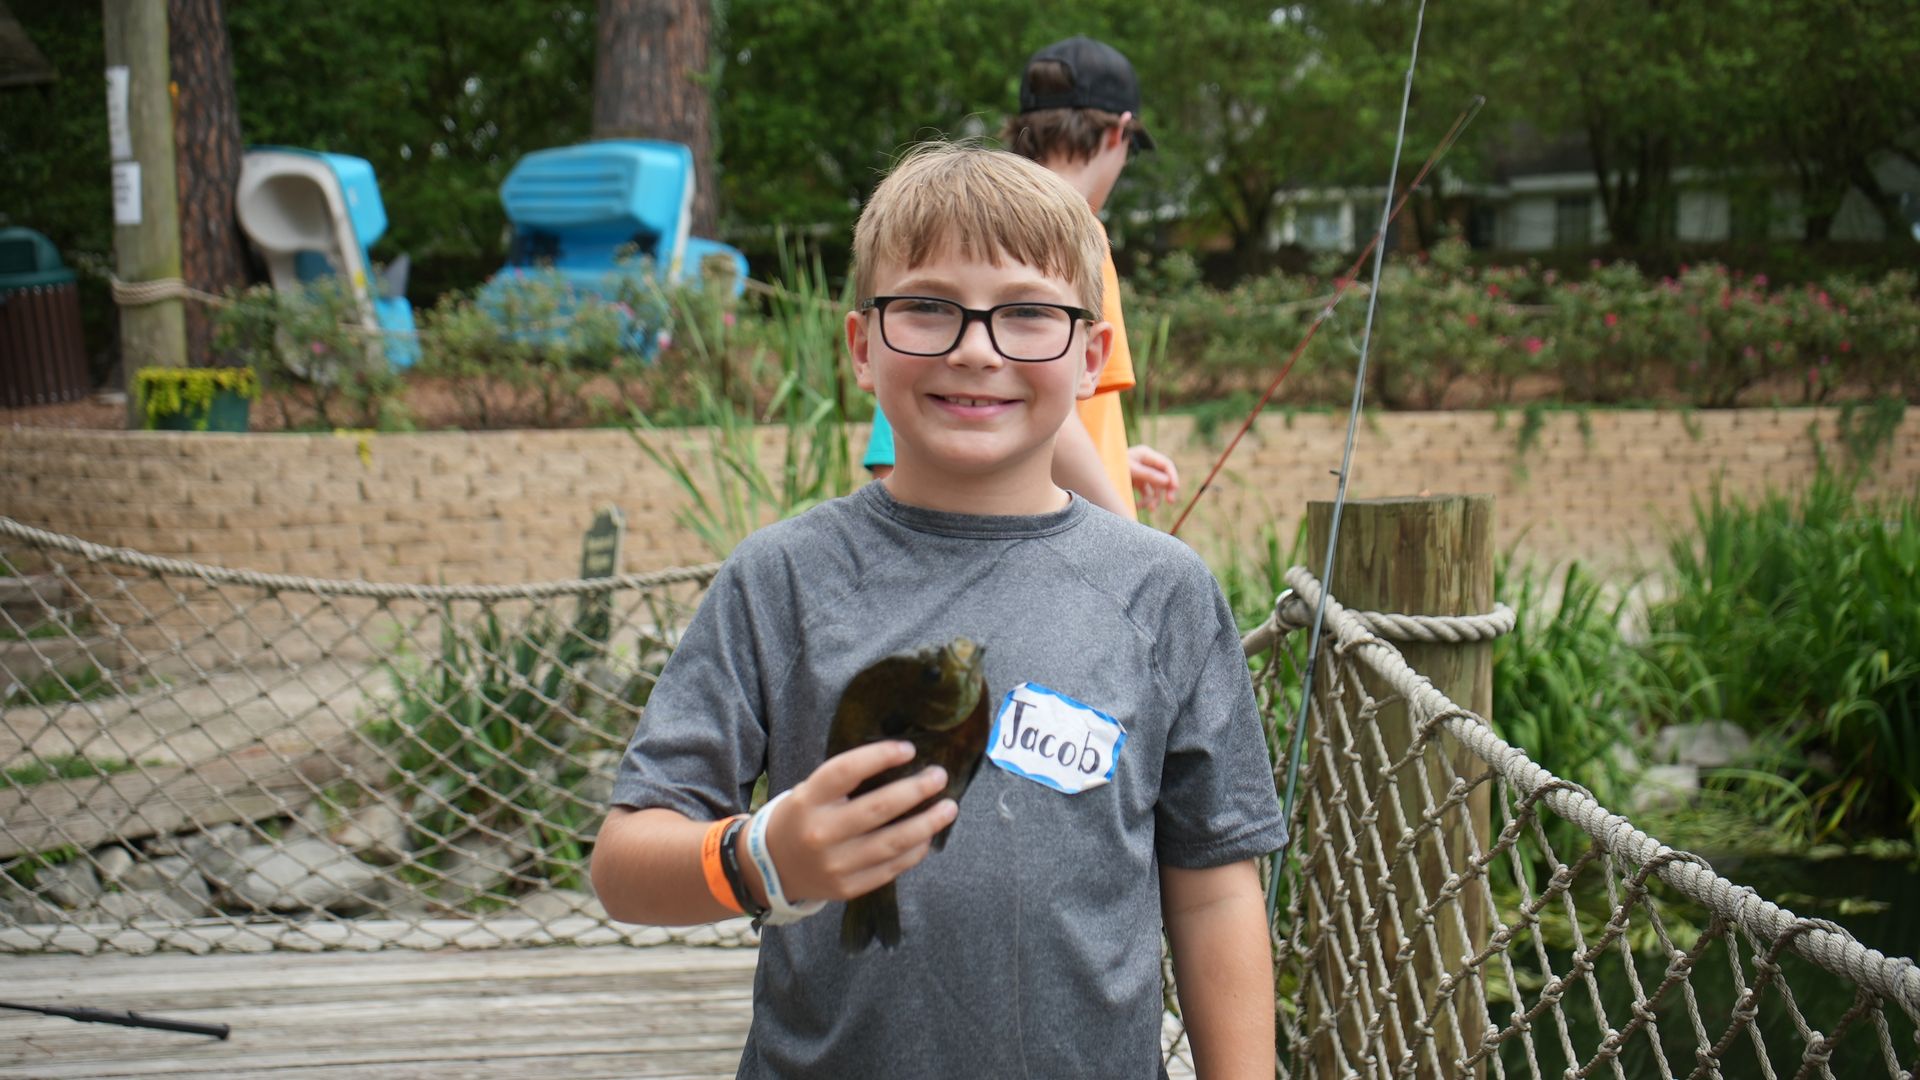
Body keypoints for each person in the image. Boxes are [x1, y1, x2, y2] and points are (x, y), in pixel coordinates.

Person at [592, 143, 1284, 1078]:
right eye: (926, 307)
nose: (976, 349)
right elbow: (624, 863)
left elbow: (1213, 891)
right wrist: (763, 857)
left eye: (1028, 313)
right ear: (862, 346)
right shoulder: (780, 579)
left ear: (1092, 357)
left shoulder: (1164, 592)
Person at [862, 35, 1182, 519]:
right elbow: (1063, 425)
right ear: (1119, 134)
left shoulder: (963, 224)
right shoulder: (1078, 236)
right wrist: (1131, 538)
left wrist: (1115, 461)